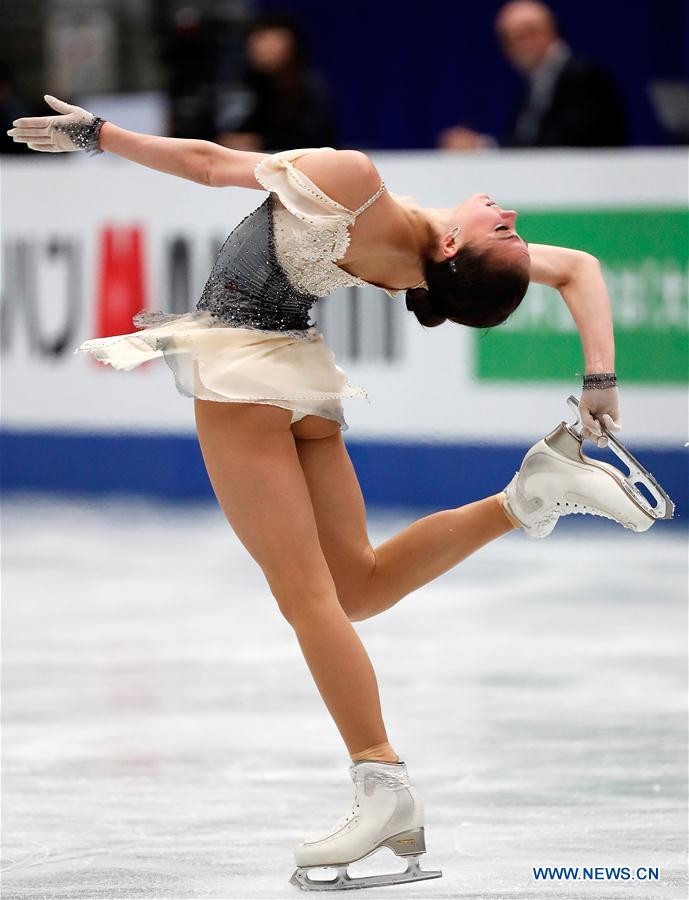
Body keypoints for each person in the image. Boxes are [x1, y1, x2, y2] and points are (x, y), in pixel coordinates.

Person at [9, 95, 663, 892]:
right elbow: (581, 269)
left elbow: (210, 166)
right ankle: (523, 500)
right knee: (354, 588)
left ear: (456, 244)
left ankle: (380, 783)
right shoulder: (440, 256)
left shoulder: (354, 182)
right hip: (297, 374)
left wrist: (99, 135)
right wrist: (598, 379)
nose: (510, 212)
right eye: (512, 227)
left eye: (504, 228)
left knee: (307, 601)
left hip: (241, 373)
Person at [439, 0, 628, 151]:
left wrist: (483, 145)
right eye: (513, 39)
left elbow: (562, 145)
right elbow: (525, 139)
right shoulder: (533, 86)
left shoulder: (584, 78)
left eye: (530, 33)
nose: (524, 45)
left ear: (551, 30)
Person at [216, 13, 337, 152]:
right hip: (259, 163)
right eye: (258, 40)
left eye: (273, 41)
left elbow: (314, 138)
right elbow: (237, 129)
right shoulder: (251, 86)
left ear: (293, 45)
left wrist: (261, 143)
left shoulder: (312, 87)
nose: (263, 48)